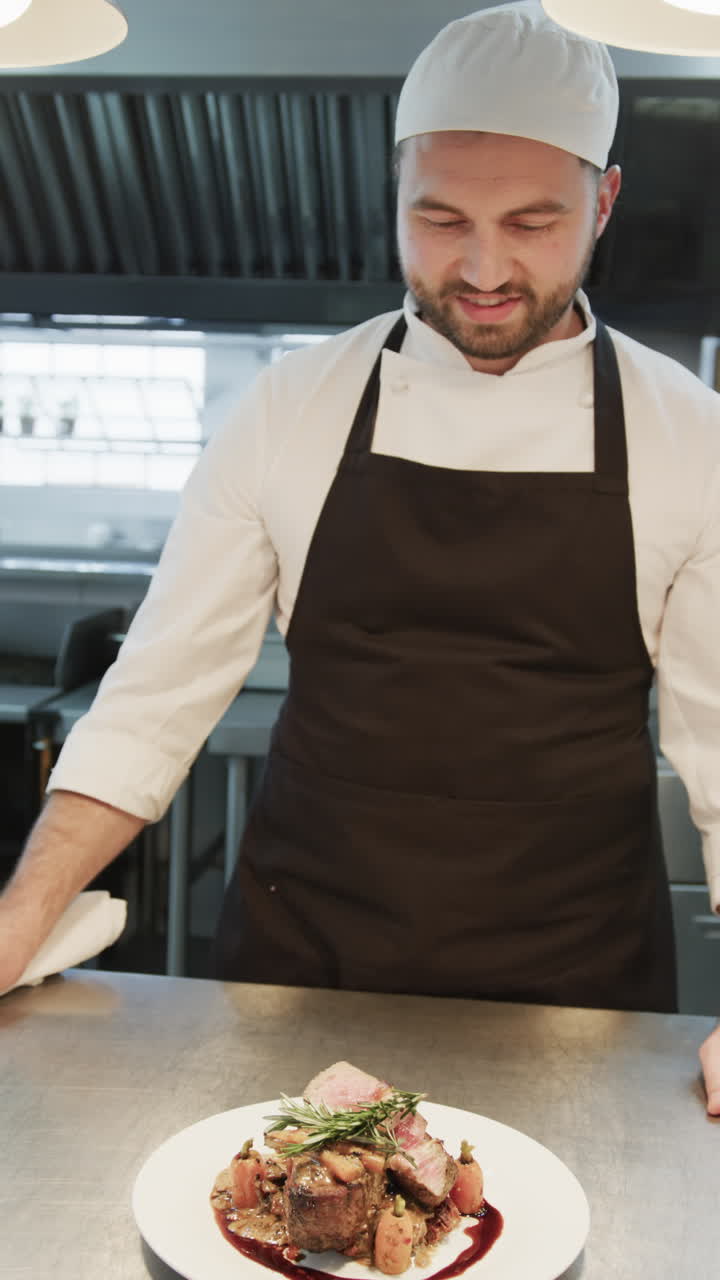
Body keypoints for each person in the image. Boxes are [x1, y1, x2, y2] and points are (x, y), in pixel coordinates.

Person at [2, 1, 720, 1103]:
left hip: (578, 993)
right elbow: (153, 697)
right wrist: (18, 919)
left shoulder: (690, 436)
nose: (483, 268)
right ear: (393, 196)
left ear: (605, 201)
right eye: (440, 219)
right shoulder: (291, 406)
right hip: (304, 968)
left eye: (532, 223)